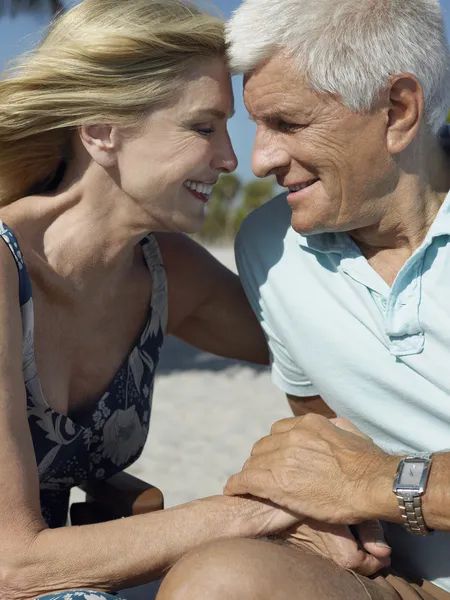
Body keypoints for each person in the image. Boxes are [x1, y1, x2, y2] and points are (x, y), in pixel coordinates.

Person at [0, 1, 310, 598]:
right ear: (101, 130)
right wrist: (255, 511)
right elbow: (12, 564)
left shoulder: (164, 271)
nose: (230, 158)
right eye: (203, 127)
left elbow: (313, 351)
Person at [155, 0, 450, 599]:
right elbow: (322, 426)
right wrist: (328, 514)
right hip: (411, 583)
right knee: (218, 585)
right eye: (255, 124)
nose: (258, 158)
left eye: (287, 124)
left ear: (397, 111)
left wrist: (381, 483)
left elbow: (359, 471)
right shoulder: (270, 246)